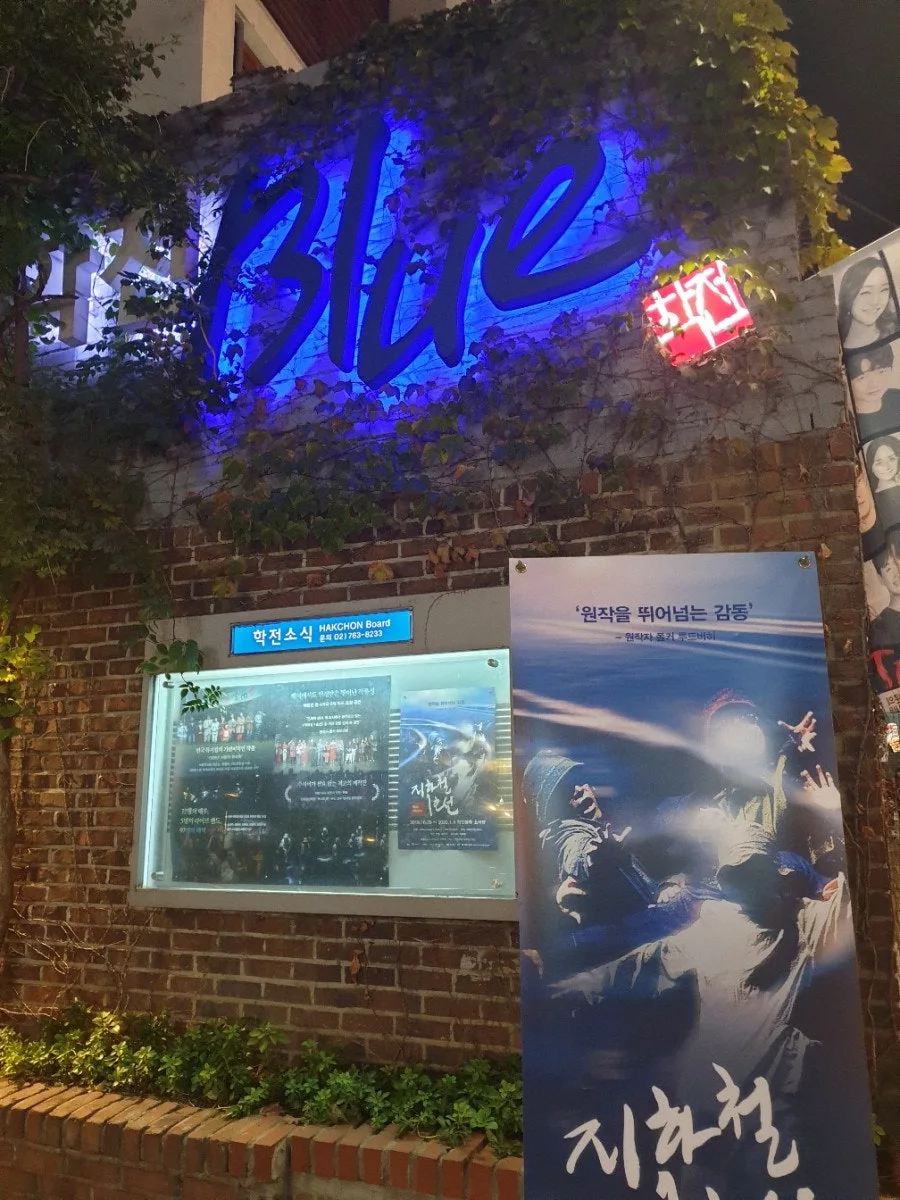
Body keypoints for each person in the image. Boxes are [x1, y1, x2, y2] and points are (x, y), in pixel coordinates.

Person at [838, 255, 898, 350]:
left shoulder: (894, 328)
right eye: (865, 292)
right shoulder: (836, 346)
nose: (875, 301)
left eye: (884, 289)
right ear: (848, 296)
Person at [848, 343, 900, 441]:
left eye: (881, 371)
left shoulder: (897, 397)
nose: (874, 384)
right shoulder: (846, 420)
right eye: (862, 377)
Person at [870, 530, 900, 649]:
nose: (896, 573)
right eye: (888, 569)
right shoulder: (878, 627)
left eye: (896, 564)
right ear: (880, 578)